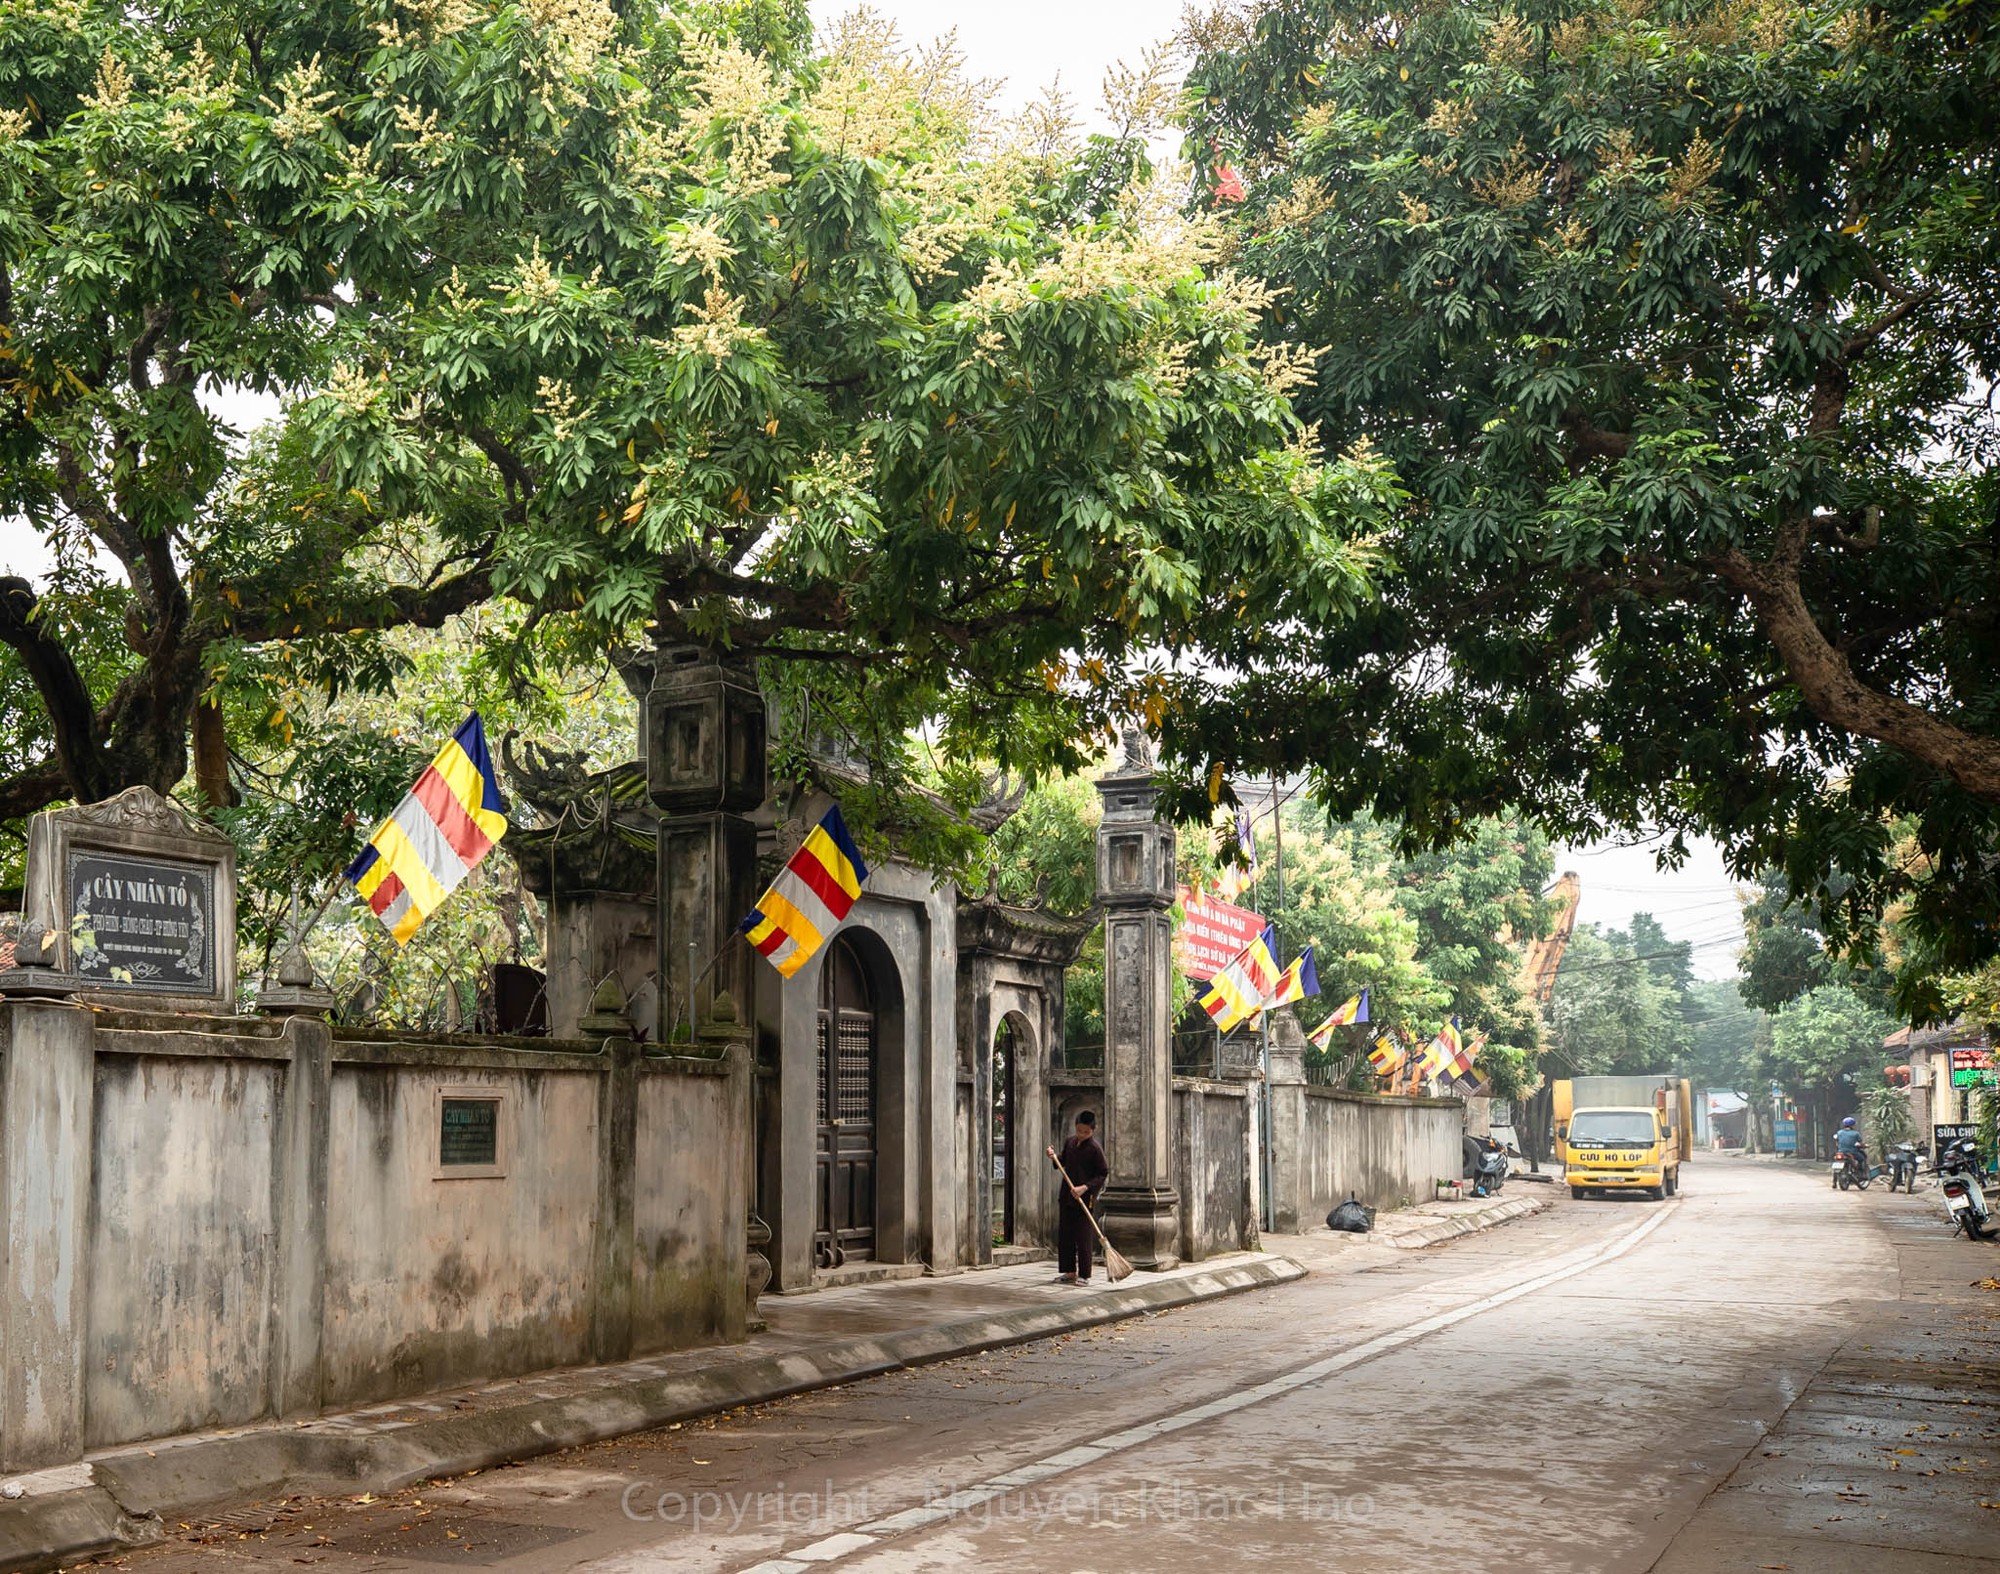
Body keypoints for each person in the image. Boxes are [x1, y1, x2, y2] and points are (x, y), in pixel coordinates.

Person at [1045, 1111, 1109, 1285]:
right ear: (1076, 1127)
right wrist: (1053, 1156)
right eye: (1079, 1130)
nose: (1081, 1134)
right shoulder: (1070, 1142)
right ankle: (1069, 1271)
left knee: (1082, 1237)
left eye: (1086, 1132)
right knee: (1065, 1235)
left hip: (1084, 1198)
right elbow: (1062, 1161)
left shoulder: (1095, 1149)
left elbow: (1102, 1173)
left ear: (1092, 1131)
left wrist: (1085, 1187)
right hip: (1066, 1195)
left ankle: (1084, 1274)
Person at [1835, 1115, 1867, 1182]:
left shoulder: (1839, 1132)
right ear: (1852, 1125)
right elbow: (1860, 1143)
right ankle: (1862, 1174)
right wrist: (1863, 1145)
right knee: (1862, 1158)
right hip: (1852, 1152)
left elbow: (1837, 1142)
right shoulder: (1856, 1134)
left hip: (1841, 1152)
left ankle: (1834, 1181)